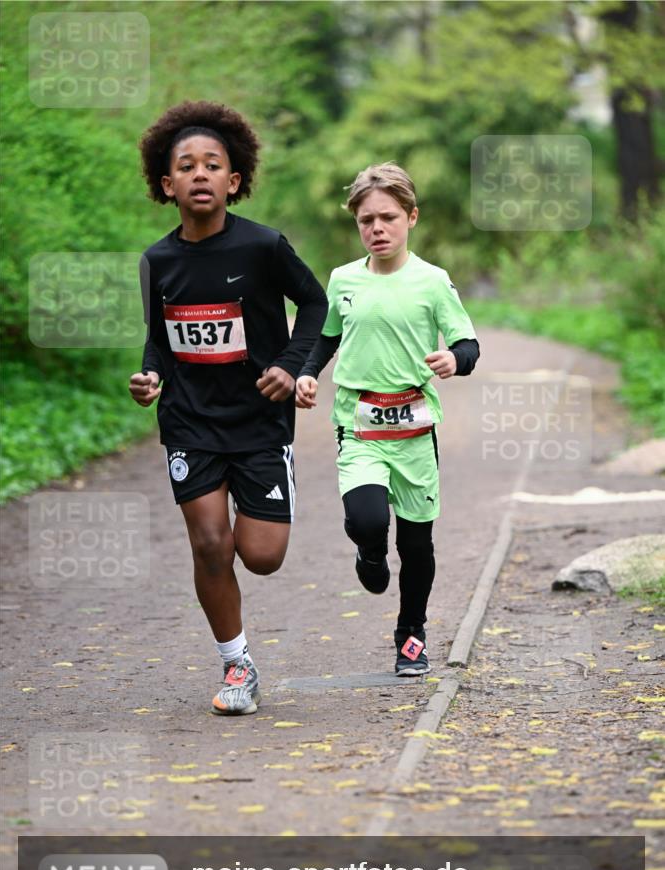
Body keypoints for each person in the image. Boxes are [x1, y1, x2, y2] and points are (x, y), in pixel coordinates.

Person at [129, 101, 327, 714]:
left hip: (261, 422)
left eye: (212, 165)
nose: (200, 174)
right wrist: (151, 375)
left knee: (261, 557)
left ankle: (271, 493)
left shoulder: (264, 247)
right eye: (185, 166)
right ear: (168, 185)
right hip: (190, 423)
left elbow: (319, 309)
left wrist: (290, 367)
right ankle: (237, 665)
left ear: (234, 180)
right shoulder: (158, 261)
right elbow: (159, 337)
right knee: (211, 545)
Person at [296, 163, 479, 676]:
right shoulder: (343, 280)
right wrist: (308, 374)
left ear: (411, 218)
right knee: (369, 520)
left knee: (417, 542)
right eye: (366, 220)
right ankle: (370, 554)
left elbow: (468, 343)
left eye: (388, 218)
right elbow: (328, 336)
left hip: (416, 428)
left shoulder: (433, 281)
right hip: (359, 422)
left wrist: (454, 360)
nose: (377, 228)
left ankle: (411, 634)